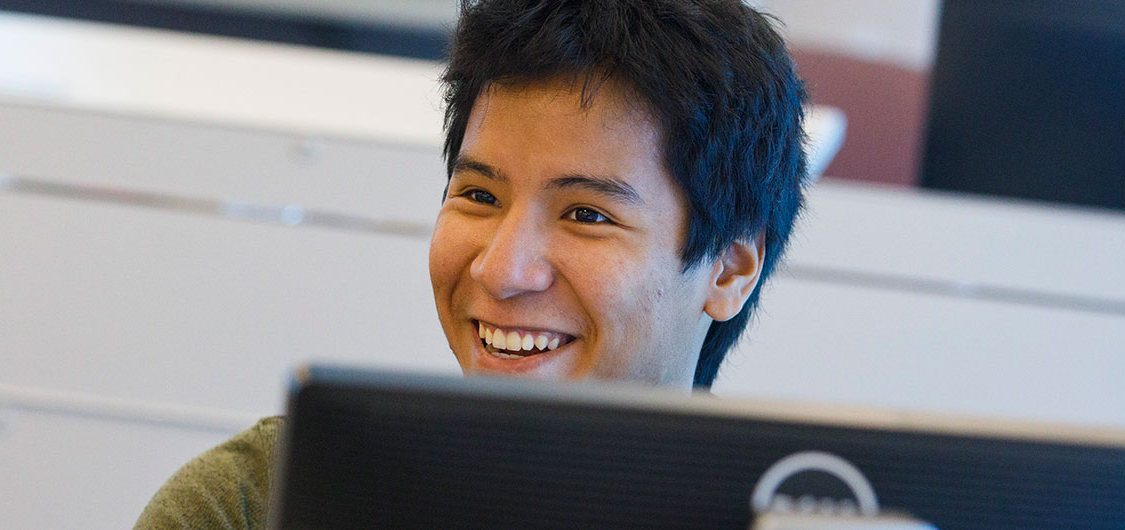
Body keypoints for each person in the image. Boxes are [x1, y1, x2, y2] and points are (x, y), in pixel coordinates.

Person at [135, 0, 806, 527]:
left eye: (586, 215)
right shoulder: (254, 507)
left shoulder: (801, 520)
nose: (501, 269)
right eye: (480, 195)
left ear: (729, 271)